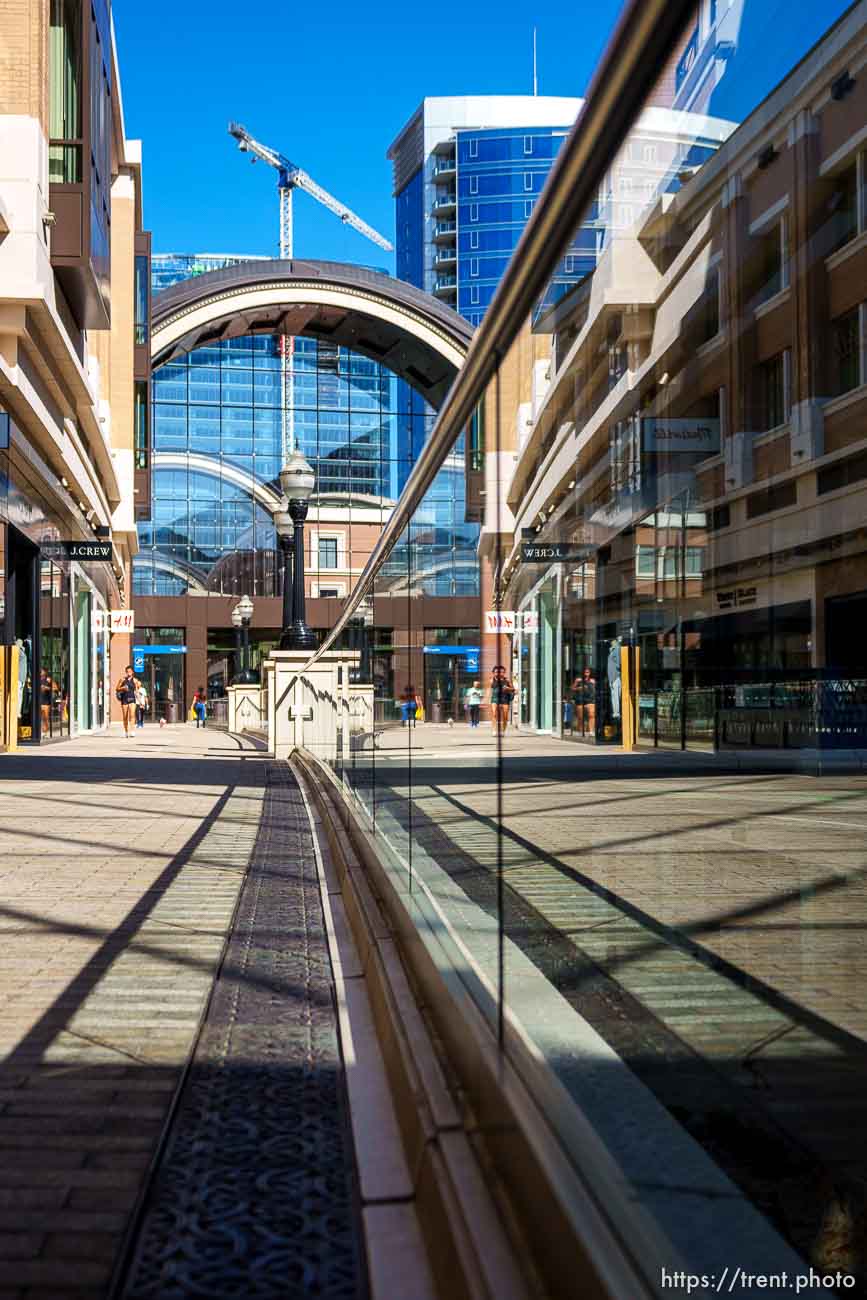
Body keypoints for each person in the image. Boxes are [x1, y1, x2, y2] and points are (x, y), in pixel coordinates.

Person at [489, 665, 515, 736]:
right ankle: (494, 730)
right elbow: (489, 690)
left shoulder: (507, 681)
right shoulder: (491, 680)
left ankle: (503, 731)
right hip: (495, 698)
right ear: (493, 672)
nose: (500, 673)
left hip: (504, 698)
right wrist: (488, 699)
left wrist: (508, 688)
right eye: (497, 672)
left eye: (502, 672)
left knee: (505, 716)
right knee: (494, 714)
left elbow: (513, 689)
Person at [571, 666, 596, 736]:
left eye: (588, 672)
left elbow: (595, 690)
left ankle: (591, 731)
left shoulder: (593, 680)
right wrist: (578, 688)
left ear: (590, 673)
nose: (586, 673)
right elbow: (572, 688)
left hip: (590, 700)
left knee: (592, 715)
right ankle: (580, 731)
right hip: (580, 699)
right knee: (580, 717)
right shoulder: (578, 680)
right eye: (585, 672)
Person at [115, 665, 137, 738]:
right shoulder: (122, 680)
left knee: (132, 715)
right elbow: (117, 688)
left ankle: (132, 731)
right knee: (125, 716)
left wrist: (140, 701)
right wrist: (123, 688)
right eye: (127, 672)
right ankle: (126, 731)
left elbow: (136, 691)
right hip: (124, 699)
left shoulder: (135, 680)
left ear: (132, 672)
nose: (128, 673)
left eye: (130, 671)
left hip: (132, 699)